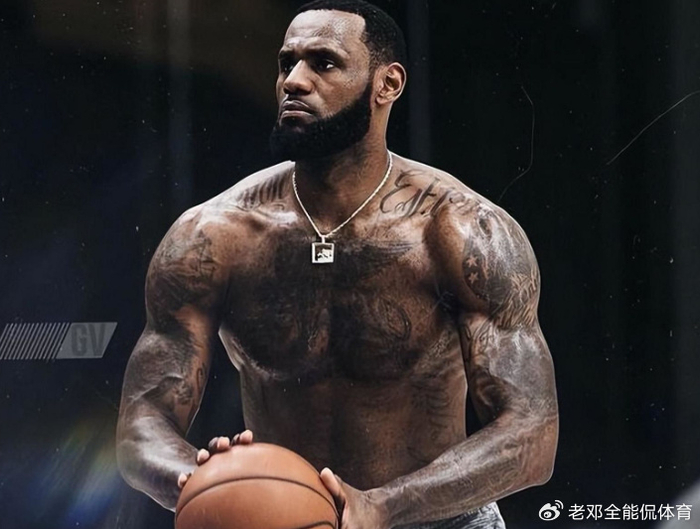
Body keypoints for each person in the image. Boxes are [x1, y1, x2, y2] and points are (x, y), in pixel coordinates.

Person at [116, 1, 559, 527]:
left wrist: (382, 506)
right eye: (286, 63)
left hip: (440, 518)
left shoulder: (461, 232)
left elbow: (532, 432)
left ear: (387, 84)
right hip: (283, 519)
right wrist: (200, 480)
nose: (294, 82)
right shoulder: (213, 236)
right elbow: (142, 423)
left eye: (323, 63)